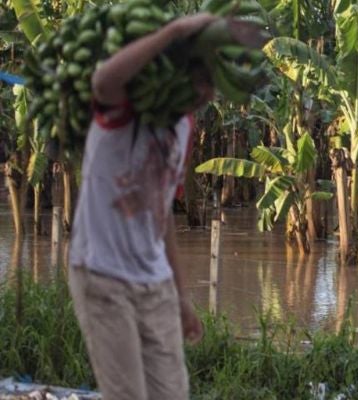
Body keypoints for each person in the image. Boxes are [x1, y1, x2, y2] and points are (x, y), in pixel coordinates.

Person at [67, 13, 217, 400]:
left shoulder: (184, 127)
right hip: (102, 276)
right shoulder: (123, 109)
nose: (205, 94)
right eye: (198, 81)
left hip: (155, 283)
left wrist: (182, 297)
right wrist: (173, 33)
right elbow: (102, 80)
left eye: (211, 84)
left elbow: (161, 211)